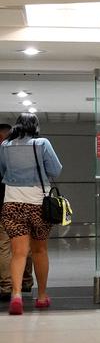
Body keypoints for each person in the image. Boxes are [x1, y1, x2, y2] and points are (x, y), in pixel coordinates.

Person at [0, 113, 62, 315]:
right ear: (35, 126)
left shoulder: (5, 146)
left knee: (18, 253)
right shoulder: (42, 143)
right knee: (39, 251)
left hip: (12, 203)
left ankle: (16, 296)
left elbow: (2, 171)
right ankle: (42, 296)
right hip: (37, 203)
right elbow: (55, 169)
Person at [0, 123, 34, 301]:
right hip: (28, 202)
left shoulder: (3, 154)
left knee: (5, 246)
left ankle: (8, 286)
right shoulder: (23, 154)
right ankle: (26, 281)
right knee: (25, 245)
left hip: (8, 205)